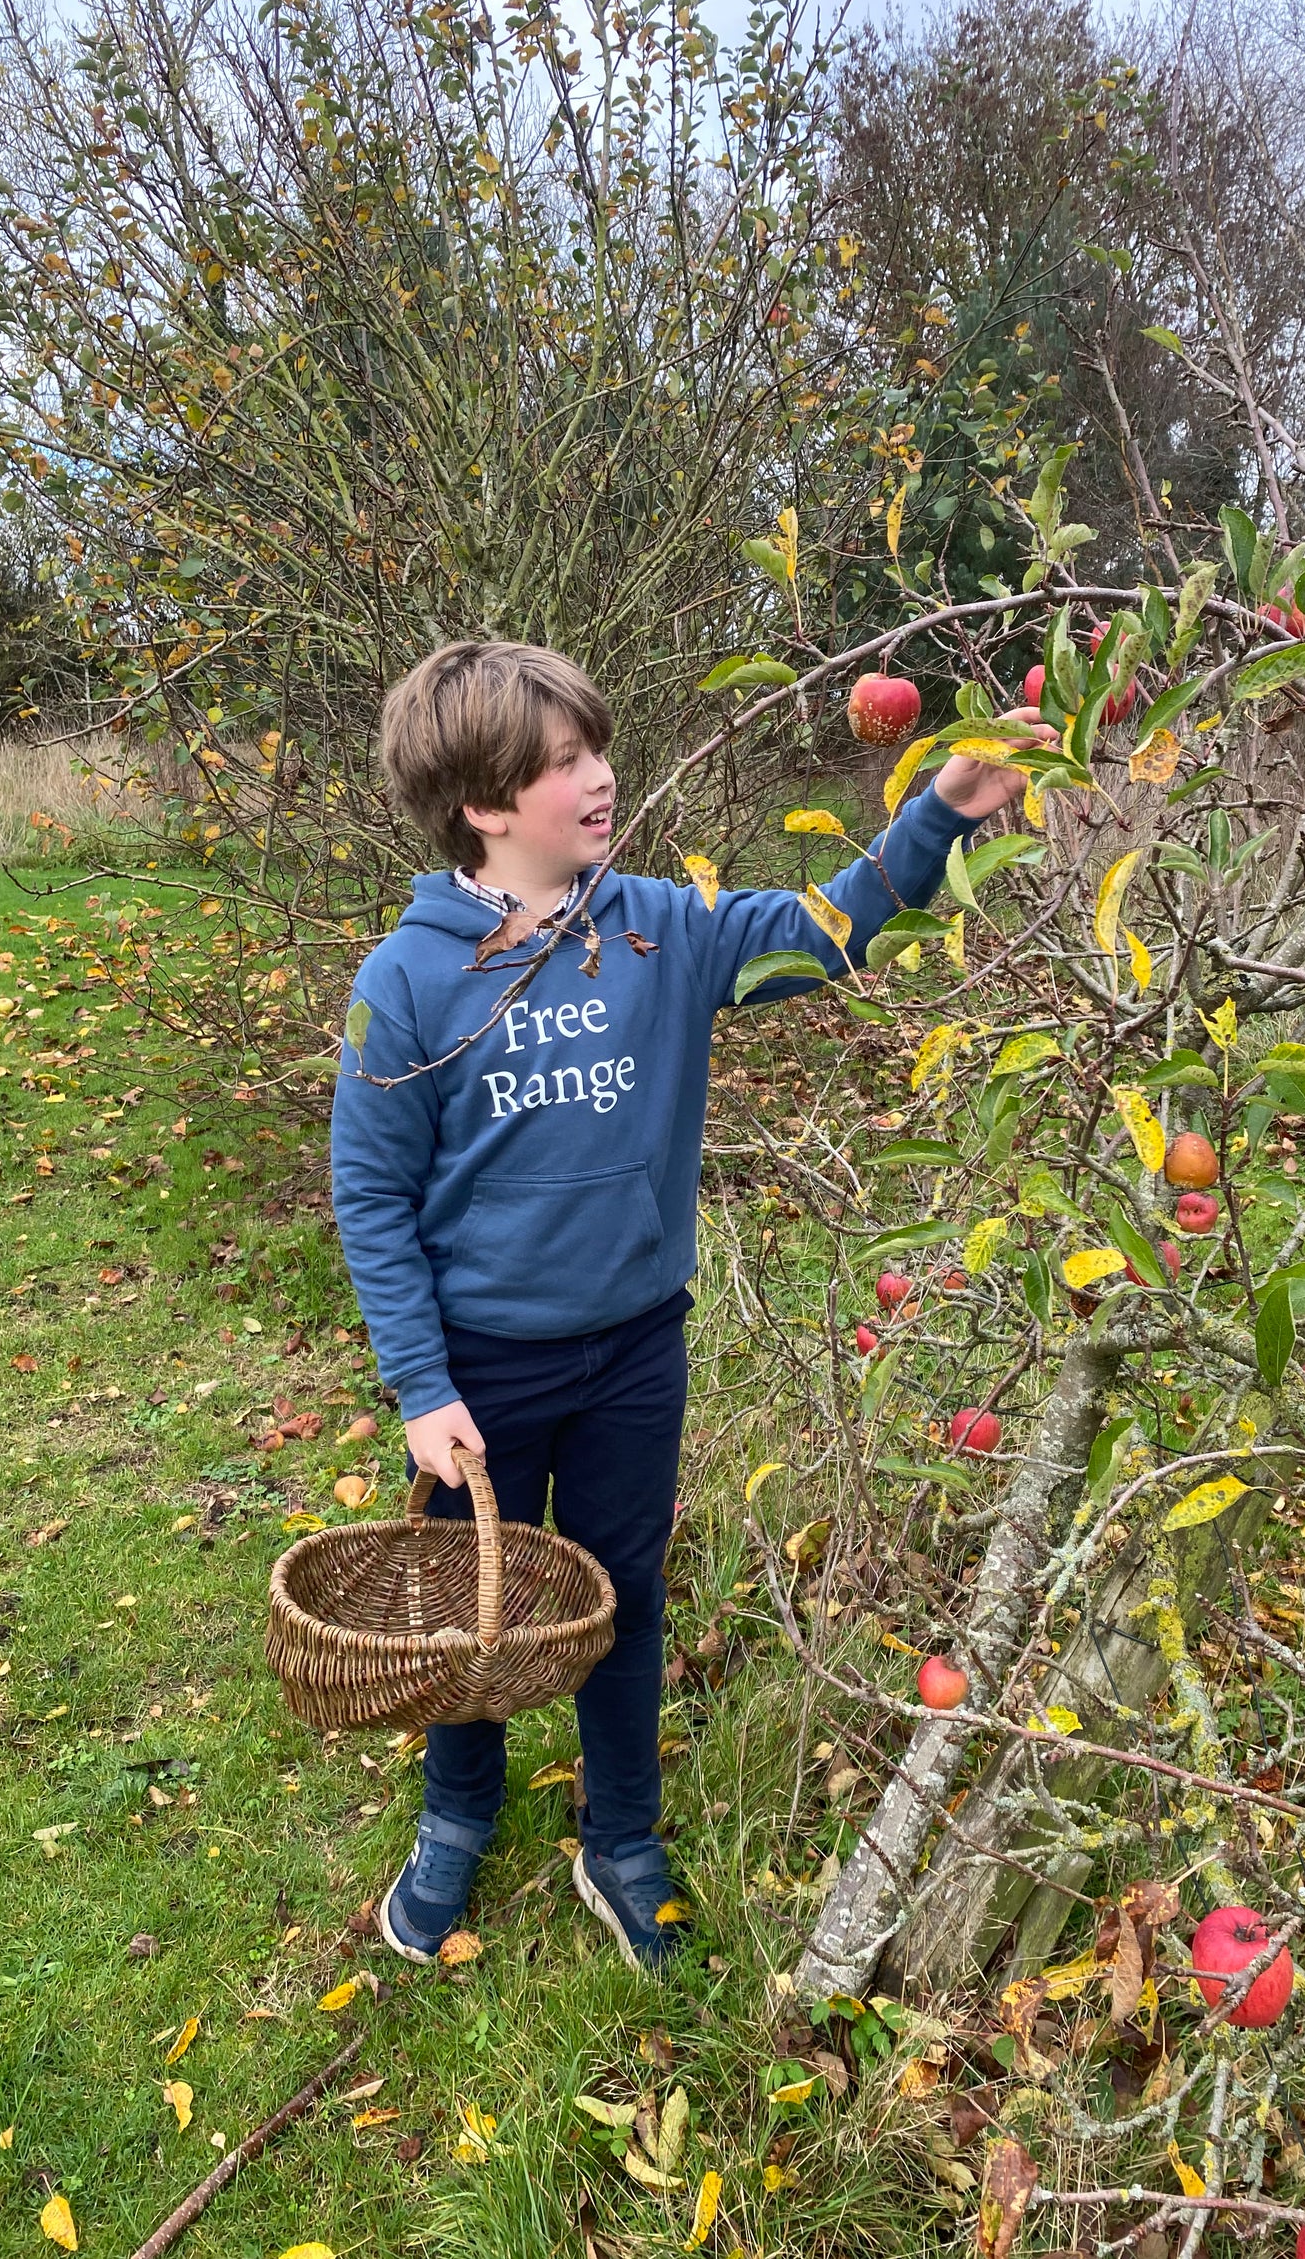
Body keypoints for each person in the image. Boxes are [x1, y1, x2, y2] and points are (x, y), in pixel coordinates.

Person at [330, 639, 1042, 1971]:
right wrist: (423, 1387)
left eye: (597, 749)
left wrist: (942, 810)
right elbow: (371, 1198)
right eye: (564, 766)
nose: (602, 779)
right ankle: (457, 1815)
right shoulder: (408, 985)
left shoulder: (661, 927)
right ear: (485, 805)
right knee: (465, 1606)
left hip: (633, 1353)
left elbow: (832, 927)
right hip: (481, 1371)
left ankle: (624, 1838)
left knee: (625, 1590)